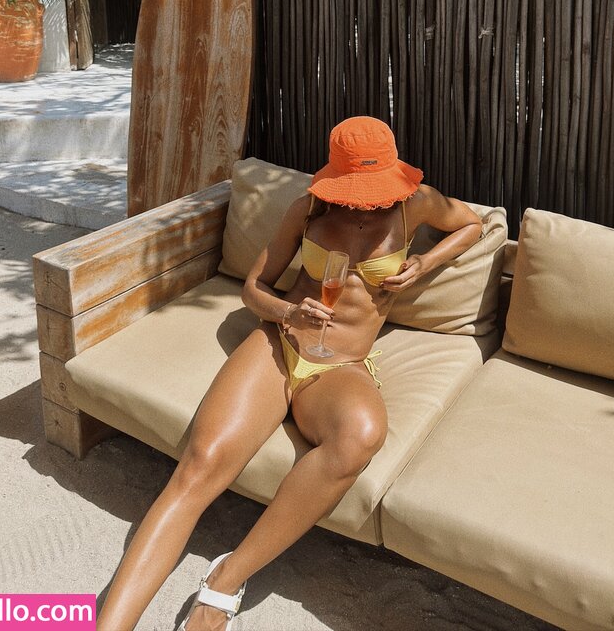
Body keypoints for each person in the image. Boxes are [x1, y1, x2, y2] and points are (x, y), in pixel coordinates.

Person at [96, 116, 482, 631]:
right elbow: (253, 288)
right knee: (199, 468)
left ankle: (225, 580)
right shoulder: (309, 209)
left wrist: (426, 263)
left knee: (360, 437)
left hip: (341, 365)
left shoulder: (417, 205)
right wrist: (287, 313)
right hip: (280, 345)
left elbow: (472, 224)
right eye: (355, 192)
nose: (364, 204)